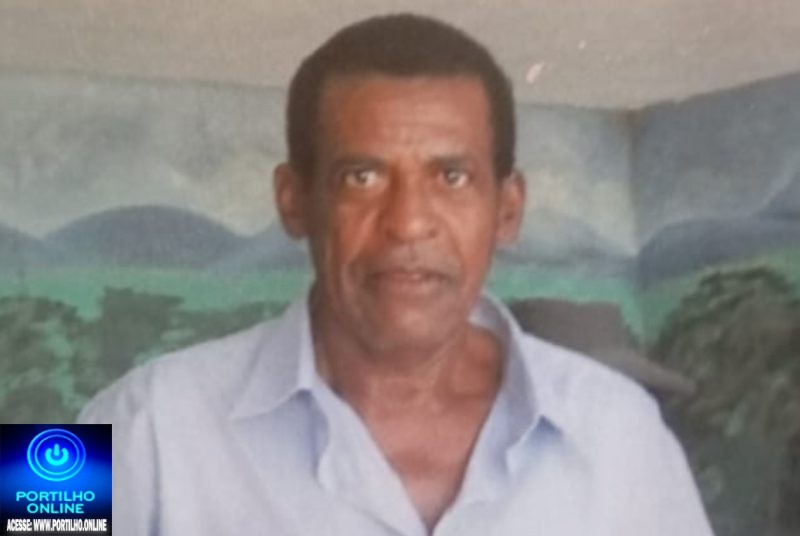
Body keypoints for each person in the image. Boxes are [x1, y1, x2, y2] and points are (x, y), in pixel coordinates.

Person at [78, 13, 715, 536]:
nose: (408, 223)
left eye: (452, 177)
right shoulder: (132, 420)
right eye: (362, 176)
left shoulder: (621, 433)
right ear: (294, 201)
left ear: (508, 209)